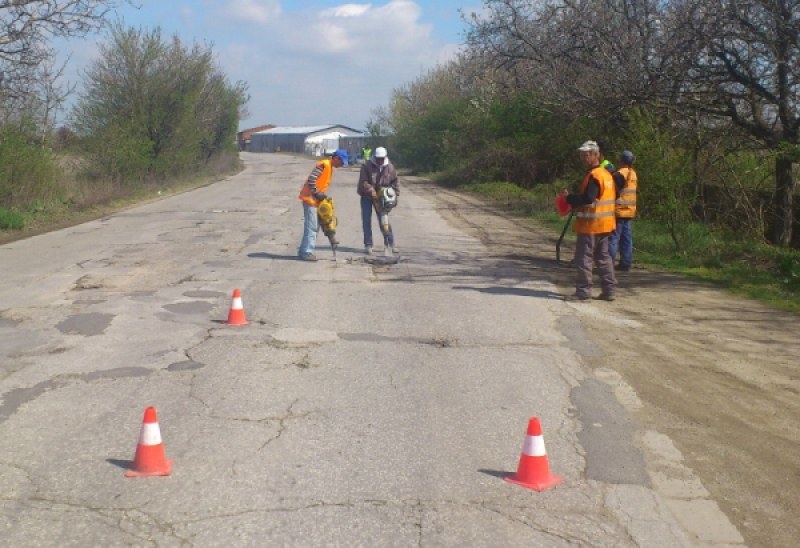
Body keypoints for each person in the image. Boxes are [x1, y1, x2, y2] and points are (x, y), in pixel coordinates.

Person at [562, 140, 618, 301]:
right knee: (603, 258)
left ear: (596, 155)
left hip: (591, 225)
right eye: (581, 155)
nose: (582, 158)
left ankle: (583, 292)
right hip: (606, 225)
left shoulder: (594, 175)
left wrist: (570, 199)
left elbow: (588, 198)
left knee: (584, 258)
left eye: (586, 155)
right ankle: (609, 291)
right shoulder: (607, 174)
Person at [297, 149, 348, 261]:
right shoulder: (324, 165)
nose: (342, 165)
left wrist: (323, 196)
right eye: (342, 162)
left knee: (316, 226)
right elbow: (311, 181)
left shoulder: (329, 167)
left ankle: (304, 250)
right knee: (312, 227)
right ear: (336, 158)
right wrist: (318, 194)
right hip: (310, 199)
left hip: (315, 200)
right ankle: (306, 252)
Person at [357, 146, 399, 255]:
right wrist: (371, 191)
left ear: (385, 157)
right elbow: (364, 181)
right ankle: (368, 245)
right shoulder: (366, 166)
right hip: (366, 196)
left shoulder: (390, 167)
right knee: (367, 221)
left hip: (381, 197)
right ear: (375, 157)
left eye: (382, 158)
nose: (380, 160)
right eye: (378, 158)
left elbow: (395, 182)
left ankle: (390, 243)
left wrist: (395, 196)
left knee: (384, 220)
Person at [609, 150, 638, 271]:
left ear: (621, 160)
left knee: (613, 238)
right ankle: (626, 263)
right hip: (630, 210)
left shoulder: (619, 174)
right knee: (626, 239)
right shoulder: (633, 174)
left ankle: (608, 264)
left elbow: (613, 191)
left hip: (619, 210)